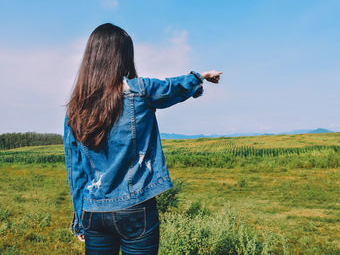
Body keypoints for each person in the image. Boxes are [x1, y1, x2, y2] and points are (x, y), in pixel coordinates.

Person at [63, 22, 222, 254]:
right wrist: (201, 77)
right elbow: (172, 87)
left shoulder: (75, 108)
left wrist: (80, 219)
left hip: (94, 211)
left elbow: (75, 170)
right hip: (136, 207)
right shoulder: (140, 90)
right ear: (123, 57)